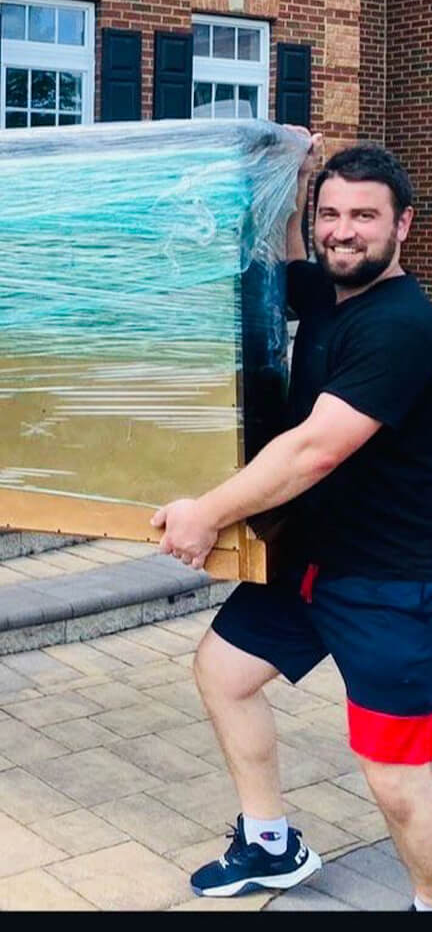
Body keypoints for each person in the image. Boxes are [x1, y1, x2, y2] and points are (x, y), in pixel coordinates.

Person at [152, 135, 432, 910]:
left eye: (364, 217)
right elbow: (284, 263)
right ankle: (271, 845)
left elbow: (315, 450)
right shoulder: (330, 293)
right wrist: (289, 177)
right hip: (312, 563)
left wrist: (207, 513)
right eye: (330, 214)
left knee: (397, 776)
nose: (343, 231)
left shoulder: (400, 325)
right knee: (224, 672)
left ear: (403, 225)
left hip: (387, 580)